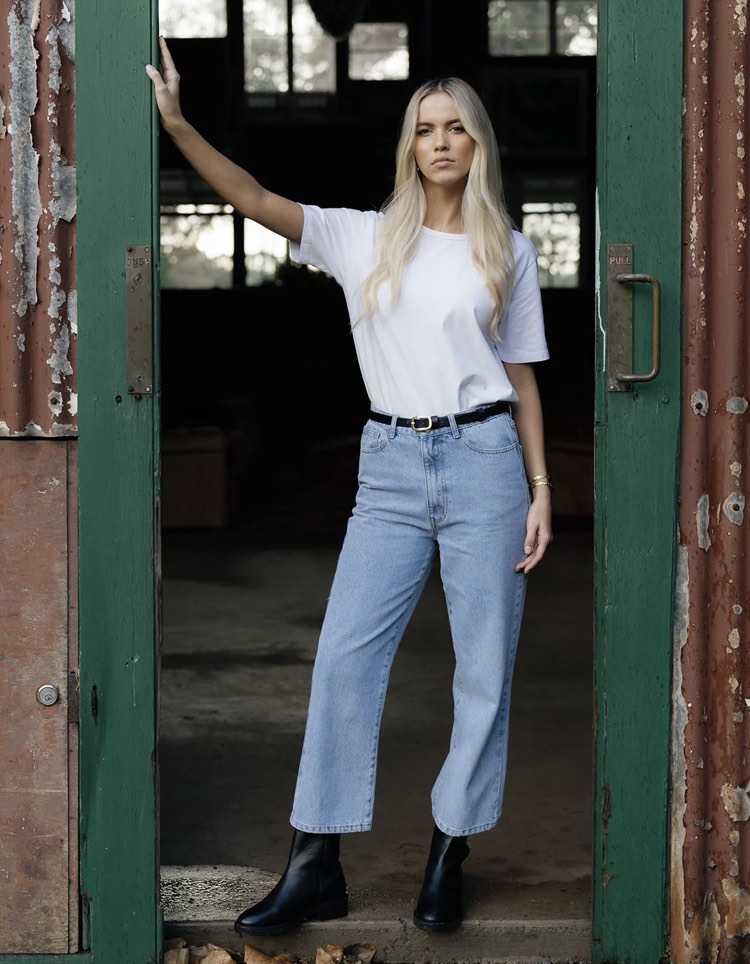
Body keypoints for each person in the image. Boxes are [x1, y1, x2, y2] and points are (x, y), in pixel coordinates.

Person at [146, 36, 552, 937]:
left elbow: (521, 375)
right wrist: (177, 124)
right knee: (342, 659)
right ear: (409, 146)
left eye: (456, 128)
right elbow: (252, 197)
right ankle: (313, 863)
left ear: (477, 143)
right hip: (392, 467)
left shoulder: (509, 251)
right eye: (425, 129)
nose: (440, 141)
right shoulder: (361, 236)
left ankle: (449, 852)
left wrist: (541, 486)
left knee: (484, 669)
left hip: (487, 462)